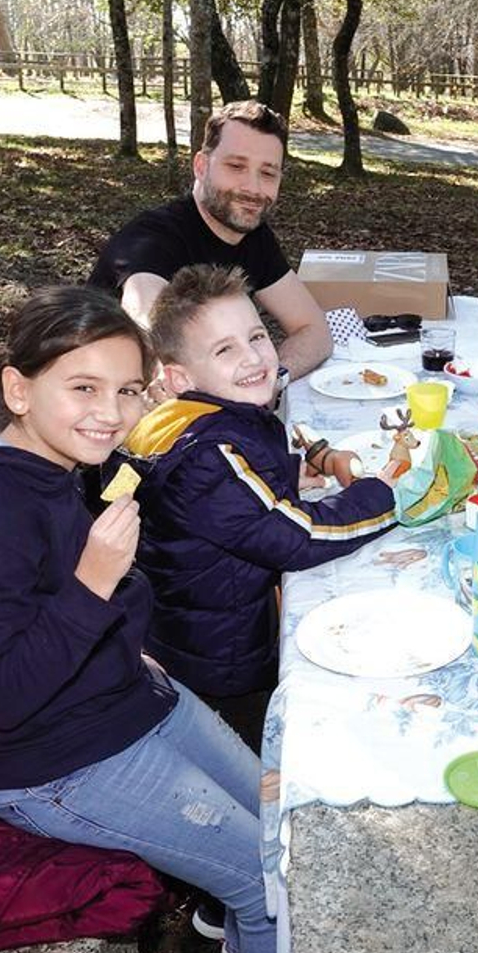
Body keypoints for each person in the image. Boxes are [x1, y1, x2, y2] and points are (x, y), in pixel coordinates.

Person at [0, 286, 278, 953]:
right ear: (18, 388)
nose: (112, 412)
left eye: (128, 390)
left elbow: (53, 599)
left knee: (278, 815)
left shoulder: (53, 464)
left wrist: (122, 642)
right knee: (267, 874)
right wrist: (91, 587)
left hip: (125, 695)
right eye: (84, 387)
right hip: (55, 762)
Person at [123, 264, 400, 751]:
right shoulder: (210, 458)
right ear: (180, 377)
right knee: (257, 749)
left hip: (203, 621)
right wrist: (380, 493)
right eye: (224, 349)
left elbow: (233, 493)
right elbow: (300, 538)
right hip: (222, 660)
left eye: (256, 336)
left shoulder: (207, 418)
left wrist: (290, 474)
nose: (253, 358)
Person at [88, 99, 332, 378]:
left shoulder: (253, 236)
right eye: (236, 166)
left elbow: (314, 329)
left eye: (267, 173)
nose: (253, 188)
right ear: (201, 166)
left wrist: (275, 378)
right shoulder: (151, 241)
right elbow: (155, 351)